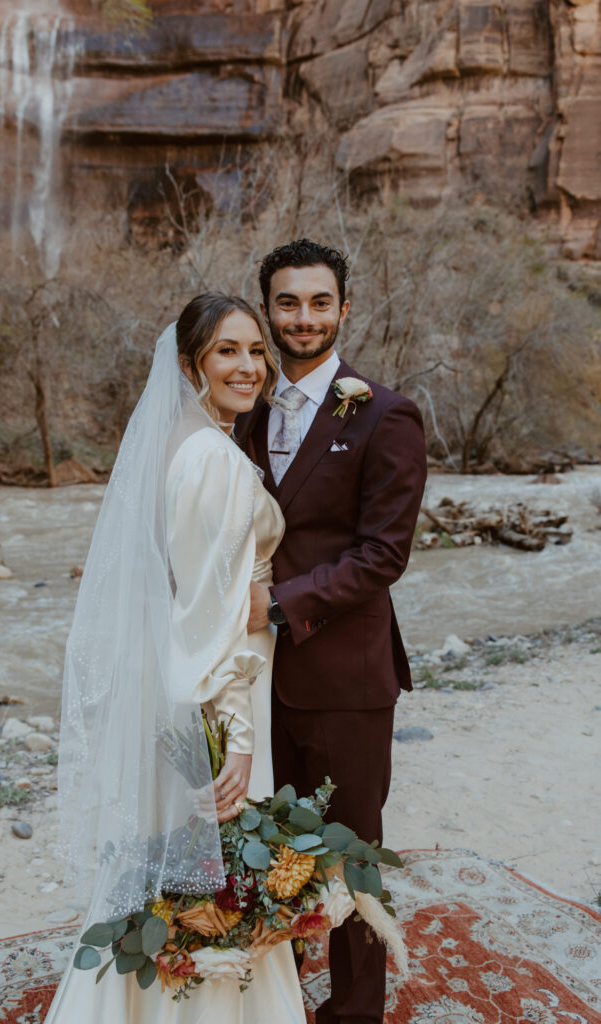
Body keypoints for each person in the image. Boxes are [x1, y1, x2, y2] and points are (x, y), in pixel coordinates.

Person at [45, 293, 306, 1023]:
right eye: (228, 351)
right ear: (191, 364)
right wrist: (237, 740)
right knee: (213, 866)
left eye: (257, 351)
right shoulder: (210, 458)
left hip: (174, 683)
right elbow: (205, 615)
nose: (249, 366)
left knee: (169, 859)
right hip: (218, 691)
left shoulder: (181, 441)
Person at [237, 239, 427, 1024]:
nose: (302, 317)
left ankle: (352, 1011)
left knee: (349, 852)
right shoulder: (240, 407)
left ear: (343, 309)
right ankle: (274, 998)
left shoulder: (385, 413)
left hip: (343, 673)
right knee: (266, 848)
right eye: (287, 302)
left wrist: (277, 606)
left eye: (319, 302)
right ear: (267, 309)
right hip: (248, 677)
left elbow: (383, 554)